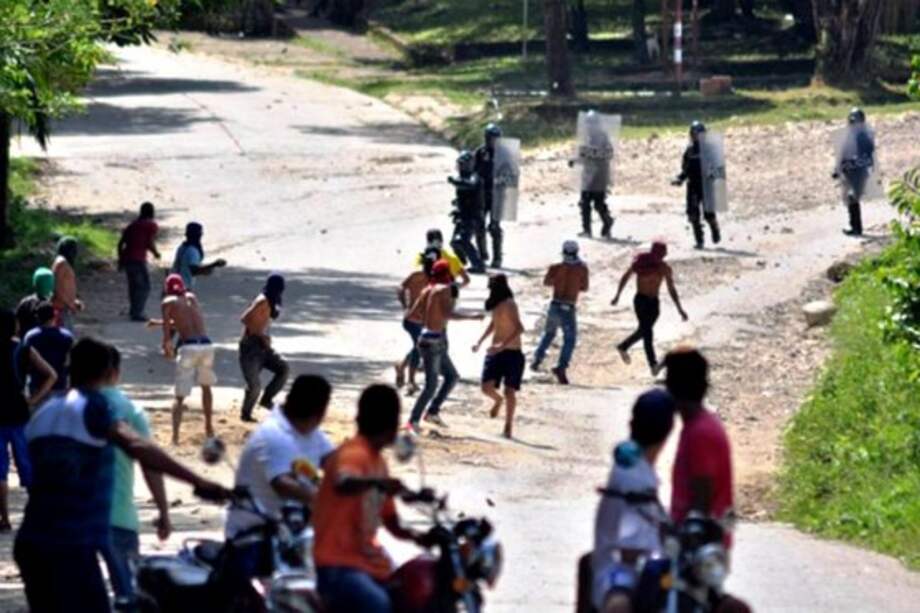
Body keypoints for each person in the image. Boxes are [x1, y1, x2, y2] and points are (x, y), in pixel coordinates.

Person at [14, 337, 228, 613]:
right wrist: (199, 481)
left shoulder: (44, 413)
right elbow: (137, 445)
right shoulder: (92, 406)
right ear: (108, 373)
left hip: (32, 540)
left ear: (69, 367)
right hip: (69, 545)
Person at [313, 384, 425, 613]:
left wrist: (424, 537)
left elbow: (391, 521)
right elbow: (343, 482)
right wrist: (378, 484)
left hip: (367, 561)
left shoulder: (378, 462)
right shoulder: (354, 453)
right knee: (379, 606)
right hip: (336, 563)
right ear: (390, 422)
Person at [222, 375, 334, 585]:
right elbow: (282, 484)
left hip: (294, 533)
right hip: (255, 534)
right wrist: (324, 498)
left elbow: (336, 463)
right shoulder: (274, 435)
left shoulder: (311, 433)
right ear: (320, 411)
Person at [587, 389, 675, 613]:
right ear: (668, 432)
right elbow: (631, 552)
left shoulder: (631, 464)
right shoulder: (637, 478)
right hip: (622, 575)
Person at [99, 346, 171, 609]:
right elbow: (150, 464)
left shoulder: (57, 409)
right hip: (119, 517)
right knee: (128, 594)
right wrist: (163, 510)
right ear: (114, 373)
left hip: (70, 520)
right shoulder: (128, 409)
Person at [663, 348, 735, 542]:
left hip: (696, 544)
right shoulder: (698, 424)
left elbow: (702, 498)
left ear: (674, 387)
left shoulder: (700, 433)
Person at [407, 260, 484, 433]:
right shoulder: (445, 289)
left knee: (452, 376)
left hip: (426, 338)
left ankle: (432, 412)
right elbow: (449, 314)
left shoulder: (427, 290)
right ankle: (413, 420)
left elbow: (412, 314)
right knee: (431, 385)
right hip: (435, 341)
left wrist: (429, 318)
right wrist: (472, 317)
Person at [0, 309, 56, 533]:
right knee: (29, 467)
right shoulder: (23, 350)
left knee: (0, 472)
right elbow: (51, 374)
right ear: (14, 326)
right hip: (21, 415)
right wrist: (34, 399)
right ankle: (38, 516)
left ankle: (4, 520)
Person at [611, 241, 688, 376]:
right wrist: (617, 295)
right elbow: (626, 276)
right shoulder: (641, 263)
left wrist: (679, 309)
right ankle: (653, 365)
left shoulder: (664, 268)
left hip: (654, 304)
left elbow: (671, 289)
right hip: (641, 301)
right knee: (648, 333)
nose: (662, 256)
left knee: (644, 330)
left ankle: (623, 346)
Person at [161, 273, 217, 444]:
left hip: (189, 347)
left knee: (180, 396)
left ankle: (175, 437)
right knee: (206, 387)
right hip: (206, 345)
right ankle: (208, 427)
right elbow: (189, 320)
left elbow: (168, 331)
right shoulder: (191, 297)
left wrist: (167, 347)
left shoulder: (167, 302)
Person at [473, 274, 525, 438]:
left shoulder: (510, 304)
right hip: (495, 352)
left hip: (512, 352)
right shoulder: (496, 305)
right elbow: (493, 324)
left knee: (510, 391)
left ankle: (508, 425)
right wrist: (480, 341)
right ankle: (497, 400)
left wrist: (502, 346)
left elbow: (519, 328)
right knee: (485, 387)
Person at [531, 240, 589, 385]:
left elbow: (547, 282)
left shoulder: (556, 266)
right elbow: (584, 287)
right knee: (569, 339)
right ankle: (561, 366)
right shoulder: (582, 268)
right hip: (569, 306)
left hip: (555, 303)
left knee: (549, 333)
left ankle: (537, 358)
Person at [239, 273, 290, 423]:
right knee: (254, 386)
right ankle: (245, 414)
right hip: (250, 347)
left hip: (262, 347)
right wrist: (261, 336)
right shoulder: (262, 300)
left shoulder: (273, 300)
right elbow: (245, 318)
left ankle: (266, 400)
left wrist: (263, 338)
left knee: (283, 369)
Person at [394, 249, 438, 394]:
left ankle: (402, 367)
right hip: (415, 320)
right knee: (419, 348)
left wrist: (404, 305)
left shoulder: (414, 276)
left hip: (412, 319)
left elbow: (400, 289)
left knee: (417, 347)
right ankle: (410, 381)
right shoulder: (430, 281)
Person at [672, 121, 721, 250]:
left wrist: (714, 177)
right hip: (693, 185)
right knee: (693, 214)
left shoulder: (710, 150)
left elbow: (717, 168)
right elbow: (686, 169)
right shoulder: (689, 151)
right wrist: (680, 179)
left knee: (708, 214)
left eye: (697, 134)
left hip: (706, 186)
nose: (695, 136)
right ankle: (699, 240)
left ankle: (714, 228)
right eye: (693, 134)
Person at [833, 107, 875, 237]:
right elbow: (843, 154)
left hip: (859, 172)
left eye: (854, 121)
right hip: (850, 172)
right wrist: (838, 169)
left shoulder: (864, 137)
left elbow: (868, 157)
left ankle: (856, 228)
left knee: (852, 198)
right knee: (851, 199)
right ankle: (855, 226)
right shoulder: (849, 136)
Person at [574, 110, 615, 239]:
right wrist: (575, 160)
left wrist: (591, 154)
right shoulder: (586, 137)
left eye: (592, 123)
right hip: (587, 175)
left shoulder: (603, 137)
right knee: (584, 203)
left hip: (599, 175)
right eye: (588, 123)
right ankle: (586, 230)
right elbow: (583, 154)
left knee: (598, 203)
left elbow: (608, 154)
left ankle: (607, 222)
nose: (589, 126)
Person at [118, 201, 161, 321]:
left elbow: (121, 244)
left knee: (133, 286)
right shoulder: (151, 225)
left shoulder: (132, 225)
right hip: (138, 259)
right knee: (144, 286)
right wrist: (155, 253)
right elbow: (149, 242)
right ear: (152, 212)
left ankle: (134, 310)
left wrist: (120, 260)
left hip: (127, 259)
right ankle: (138, 312)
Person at [22, 302, 74, 396]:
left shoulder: (30, 336)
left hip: (37, 385)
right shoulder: (67, 336)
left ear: (37, 318)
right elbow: (70, 362)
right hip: (59, 385)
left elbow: (25, 361)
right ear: (55, 316)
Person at [448, 150, 486, 274]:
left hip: (472, 216)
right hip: (463, 215)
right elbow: (463, 196)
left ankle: (478, 265)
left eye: (462, 164)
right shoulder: (461, 177)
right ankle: (462, 262)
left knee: (463, 240)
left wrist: (455, 182)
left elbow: (470, 185)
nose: (459, 167)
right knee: (454, 242)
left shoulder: (475, 177)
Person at [474, 123, 504, 268]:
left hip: (497, 195)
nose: (494, 141)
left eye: (496, 138)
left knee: (494, 227)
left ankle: (497, 258)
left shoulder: (504, 153)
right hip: (481, 194)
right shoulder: (480, 152)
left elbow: (511, 174)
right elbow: (472, 171)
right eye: (491, 138)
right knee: (479, 225)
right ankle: (482, 255)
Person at [171, 221, 227, 290]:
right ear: (199, 235)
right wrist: (214, 264)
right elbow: (194, 271)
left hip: (173, 284)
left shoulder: (182, 247)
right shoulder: (192, 251)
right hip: (184, 287)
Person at [51, 236, 84, 331]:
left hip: (65, 307)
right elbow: (56, 287)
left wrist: (73, 301)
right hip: (61, 308)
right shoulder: (61, 263)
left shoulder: (64, 262)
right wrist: (70, 303)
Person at [15, 267, 54, 335]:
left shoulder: (24, 302)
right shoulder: (51, 304)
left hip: (25, 340)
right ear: (51, 283)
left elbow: (17, 324)